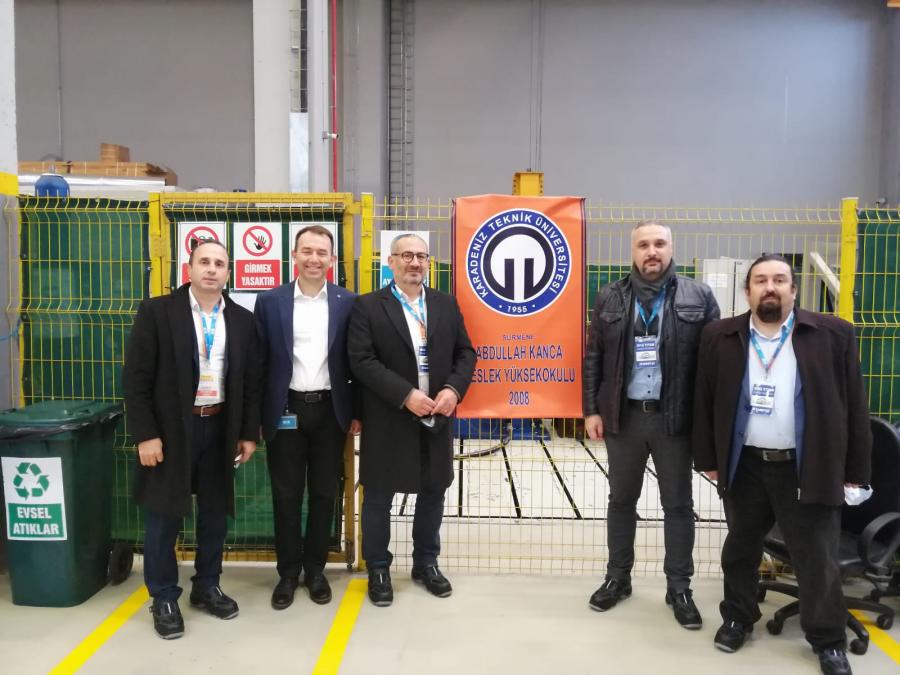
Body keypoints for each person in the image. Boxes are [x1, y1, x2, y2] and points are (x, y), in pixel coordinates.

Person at [693, 254, 871, 675]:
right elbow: (704, 399)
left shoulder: (831, 335)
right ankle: (738, 618)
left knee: (816, 557)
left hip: (807, 467)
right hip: (745, 466)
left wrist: (855, 473)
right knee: (740, 549)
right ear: (747, 291)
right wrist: (709, 460)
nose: (769, 287)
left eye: (779, 280)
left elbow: (854, 407)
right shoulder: (720, 336)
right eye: (760, 280)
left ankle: (828, 641)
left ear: (793, 288)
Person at [582, 220, 719, 627]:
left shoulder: (698, 296)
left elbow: (713, 366)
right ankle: (617, 578)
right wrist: (591, 410)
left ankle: (679, 587)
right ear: (633, 252)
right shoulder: (610, 296)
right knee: (621, 501)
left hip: (673, 419)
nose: (652, 251)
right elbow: (593, 357)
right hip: (623, 418)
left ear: (671, 248)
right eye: (643, 245)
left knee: (677, 505)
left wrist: (707, 421)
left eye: (659, 243)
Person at [123, 239, 260, 639]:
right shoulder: (158, 312)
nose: (212, 269)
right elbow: (136, 379)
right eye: (205, 262)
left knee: (215, 514)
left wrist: (247, 433)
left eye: (220, 263)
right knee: (164, 514)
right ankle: (164, 596)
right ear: (189, 268)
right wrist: (146, 435)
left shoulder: (241, 319)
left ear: (228, 273)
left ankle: (207, 586)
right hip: (170, 432)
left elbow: (250, 382)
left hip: (219, 427)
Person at [348, 233, 476, 607]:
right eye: (406, 255)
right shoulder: (368, 306)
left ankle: (426, 563)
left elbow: (466, 353)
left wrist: (453, 390)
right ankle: (378, 568)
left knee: (433, 491)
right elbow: (362, 360)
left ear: (428, 263)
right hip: (388, 416)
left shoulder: (445, 304)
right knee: (379, 496)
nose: (414, 262)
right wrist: (405, 395)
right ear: (390, 262)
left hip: (436, 415)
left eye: (421, 256)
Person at [254, 225, 359, 610]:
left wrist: (357, 412)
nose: (314, 259)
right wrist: (258, 416)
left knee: (324, 493)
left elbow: (357, 362)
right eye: (307, 251)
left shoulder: (348, 302)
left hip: (331, 412)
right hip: (285, 411)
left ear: (332, 259)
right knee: (285, 495)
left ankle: (315, 570)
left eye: (322, 252)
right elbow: (259, 363)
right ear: (294, 256)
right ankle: (287, 572)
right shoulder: (270, 302)